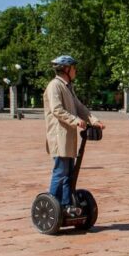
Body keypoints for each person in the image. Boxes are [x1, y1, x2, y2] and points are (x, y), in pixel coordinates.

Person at [44, 55, 105, 217]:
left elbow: (79, 107)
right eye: (74, 68)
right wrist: (75, 120)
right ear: (66, 69)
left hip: (68, 138)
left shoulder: (68, 87)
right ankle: (53, 207)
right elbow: (57, 109)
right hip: (59, 137)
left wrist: (94, 120)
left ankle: (66, 206)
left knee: (69, 173)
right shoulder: (54, 86)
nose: (75, 71)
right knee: (61, 172)